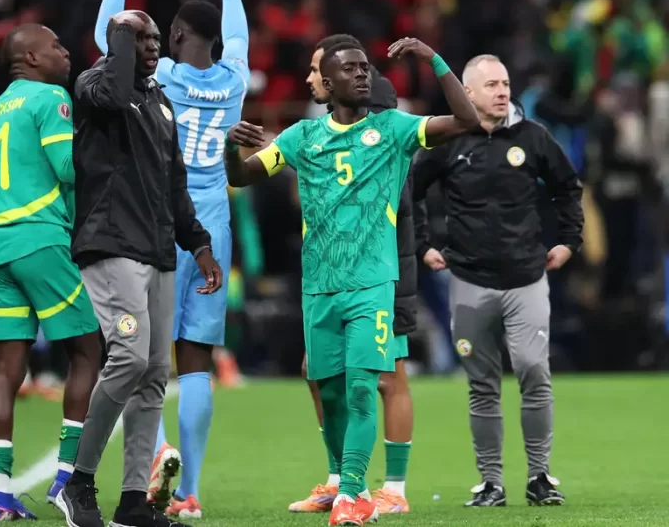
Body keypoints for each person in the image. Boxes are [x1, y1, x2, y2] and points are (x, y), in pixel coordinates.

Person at [224, 37, 479, 526]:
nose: (362, 74)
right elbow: (243, 177)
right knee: (330, 390)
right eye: (350, 68)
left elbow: (467, 122)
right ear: (328, 81)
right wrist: (231, 150)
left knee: (364, 388)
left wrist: (435, 61)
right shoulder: (302, 139)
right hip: (319, 287)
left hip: (371, 285)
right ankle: (340, 481)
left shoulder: (394, 129)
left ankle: (355, 495)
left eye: (365, 68)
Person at [90, 0, 253, 516]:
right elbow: (236, 39)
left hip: (160, 218)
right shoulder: (234, 82)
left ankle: (157, 452)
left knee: (146, 355)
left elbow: (110, 38)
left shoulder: (163, 79)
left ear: (176, 33)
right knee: (197, 360)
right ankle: (190, 494)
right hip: (213, 219)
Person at [54, 8, 222, 527]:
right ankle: (76, 482)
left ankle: (132, 502)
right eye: (139, 37)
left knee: (153, 375)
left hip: (159, 252)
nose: (152, 46)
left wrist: (199, 244)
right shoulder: (93, 85)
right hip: (110, 245)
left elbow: (176, 183)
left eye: (153, 38)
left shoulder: (161, 104)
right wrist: (119, 35)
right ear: (118, 42)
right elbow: (113, 93)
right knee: (126, 358)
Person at [412, 54, 582, 508]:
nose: (502, 91)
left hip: (526, 278)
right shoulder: (449, 142)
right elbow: (410, 191)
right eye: (491, 85)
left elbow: (568, 187)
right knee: (482, 384)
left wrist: (569, 241)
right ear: (467, 94)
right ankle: (491, 483)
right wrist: (421, 243)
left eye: (505, 82)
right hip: (468, 281)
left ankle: (540, 477)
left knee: (533, 370)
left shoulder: (533, 137)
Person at [0, 24, 103, 520]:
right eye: (55, 45)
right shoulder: (52, 98)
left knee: (9, 368)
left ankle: (0, 495)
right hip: (39, 238)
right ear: (30, 56)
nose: (65, 51)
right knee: (88, 349)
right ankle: (68, 479)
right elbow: (70, 168)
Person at [288, 35, 417, 516]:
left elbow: (399, 199)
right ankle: (341, 478)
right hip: (337, 272)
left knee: (386, 377)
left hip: (383, 265)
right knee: (321, 374)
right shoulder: (317, 130)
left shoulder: (376, 112)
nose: (308, 80)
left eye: (313, 70)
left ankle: (391, 488)